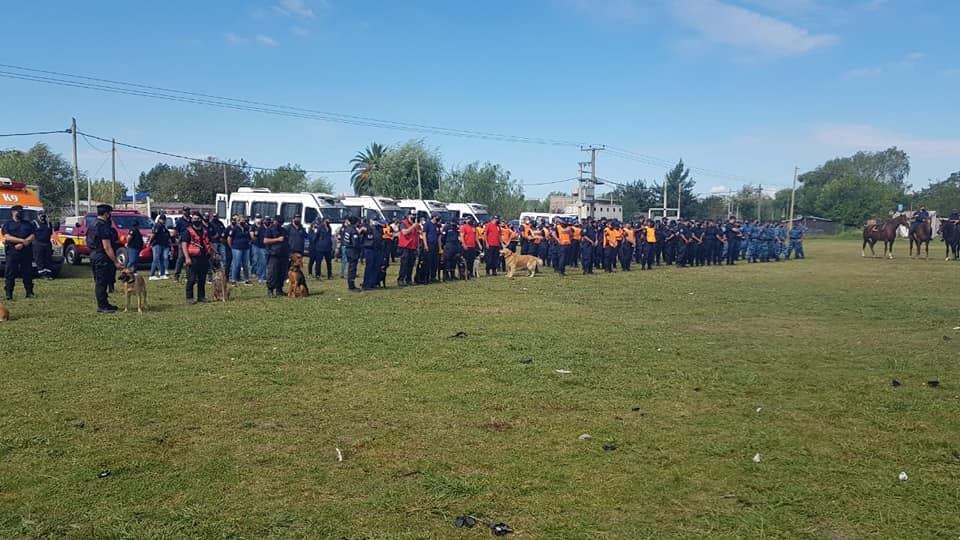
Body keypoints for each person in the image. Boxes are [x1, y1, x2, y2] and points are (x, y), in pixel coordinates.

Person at [86, 204, 123, 312]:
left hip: (94, 254)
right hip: (102, 256)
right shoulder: (103, 226)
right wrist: (115, 261)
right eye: (109, 213)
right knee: (102, 282)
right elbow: (107, 246)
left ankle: (105, 303)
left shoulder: (92, 224)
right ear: (106, 213)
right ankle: (102, 306)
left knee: (99, 280)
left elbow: (87, 240)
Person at [3, 204, 36, 300]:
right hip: (12, 252)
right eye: (18, 211)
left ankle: (29, 292)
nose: (20, 213)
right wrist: (21, 241)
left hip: (26, 251)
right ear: (13, 212)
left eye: (22, 211)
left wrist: (24, 244)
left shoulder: (28, 224)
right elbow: (7, 237)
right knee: (10, 273)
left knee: (27, 272)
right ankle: (9, 293)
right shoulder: (8, 224)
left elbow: (32, 235)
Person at [180, 211, 212, 304]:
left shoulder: (204, 231)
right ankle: (189, 298)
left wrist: (214, 253)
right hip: (192, 258)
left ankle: (201, 297)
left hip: (204, 257)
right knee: (191, 279)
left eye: (198, 219)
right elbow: (184, 245)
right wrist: (187, 258)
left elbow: (209, 242)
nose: (196, 220)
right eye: (194, 219)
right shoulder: (188, 231)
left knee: (202, 279)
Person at [263, 216, 289, 297]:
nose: (279, 224)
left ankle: (279, 290)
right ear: (274, 221)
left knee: (281, 273)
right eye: (278, 222)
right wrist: (277, 239)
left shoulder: (283, 230)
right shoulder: (269, 230)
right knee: (272, 274)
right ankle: (270, 290)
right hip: (273, 255)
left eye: (281, 222)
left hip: (283, 255)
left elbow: (286, 241)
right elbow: (265, 240)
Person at [396, 211, 420, 286]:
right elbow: (404, 232)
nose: (414, 217)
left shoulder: (415, 224)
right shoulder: (403, 223)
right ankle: (401, 279)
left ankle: (408, 279)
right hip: (405, 247)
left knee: (411, 264)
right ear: (408, 215)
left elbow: (418, 235)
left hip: (413, 247)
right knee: (404, 264)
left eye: (415, 215)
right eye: (412, 215)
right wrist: (413, 226)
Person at [360, 218, 383, 290]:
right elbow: (361, 234)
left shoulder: (379, 228)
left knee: (376, 267)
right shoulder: (367, 228)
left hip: (378, 249)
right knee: (369, 267)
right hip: (369, 249)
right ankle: (366, 284)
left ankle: (373, 283)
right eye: (373, 220)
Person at [228, 215, 252, 285]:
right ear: (238, 221)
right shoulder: (234, 228)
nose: (243, 221)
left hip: (246, 248)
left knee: (246, 264)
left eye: (243, 220)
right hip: (237, 248)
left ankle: (246, 279)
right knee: (236, 264)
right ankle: (233, 280)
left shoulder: (246, 227)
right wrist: (231, 247)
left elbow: (249, 236)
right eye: (241, 220)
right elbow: (229, 238)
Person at [341, 216, 361, 291]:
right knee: (352, 268)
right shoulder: (353, 230)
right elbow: (355, 242)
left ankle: (351, 284)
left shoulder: (347, 229)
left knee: (350, 267)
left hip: (347, 249)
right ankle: (351, 285)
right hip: (353, 250)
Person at [149, 213, 170, 280]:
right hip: (156, 244)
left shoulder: (163, 226)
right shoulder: (157, 225)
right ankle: (152, 275)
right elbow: (153, 234)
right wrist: (149, 242)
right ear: (160, 219)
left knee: (161, 260)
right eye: (163, 220)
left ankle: (162, 274)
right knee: (156, 259)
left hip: (162, 244)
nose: (164, 221)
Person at [33, 213, 54, 280]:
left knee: (48, 259)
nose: (42, 217)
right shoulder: (34, 223)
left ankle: (48, 274)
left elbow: (51, 232)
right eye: (41, 215)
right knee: (39, 260)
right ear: (38, 216)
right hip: (38, 244)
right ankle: (42, 274)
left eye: (43, 216)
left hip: (47, 244)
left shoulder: (48, 223)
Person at [173, 207, 190, 281]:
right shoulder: (180, 221)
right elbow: (175, 232)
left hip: (191, 242)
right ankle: (176, 276)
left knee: (189, 259)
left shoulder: (191, 220)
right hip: (182, 242)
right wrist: (178, 239)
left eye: (187, 211)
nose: (186, 212)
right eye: (184, 211)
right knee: (181, 258)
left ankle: (188, 275)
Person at [423, 213, 441, 282]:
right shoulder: (427, 224)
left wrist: (440, 248)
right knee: (428, 262)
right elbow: (424, 235)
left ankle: (433, 277)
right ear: (433, 217)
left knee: (435, 262)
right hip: (429, 244)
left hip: (436, 245)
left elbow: (439, 237)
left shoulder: (437, 225)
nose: (438, 218)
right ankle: (426, 278)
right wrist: (425, 245)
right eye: (437, 217)